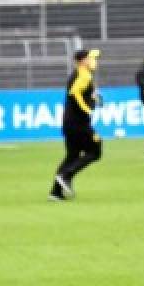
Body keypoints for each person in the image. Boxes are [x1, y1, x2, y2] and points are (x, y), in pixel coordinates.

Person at [50, 49, 102, 201]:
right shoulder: (84, 75)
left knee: (72, 156)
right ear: (82, 61)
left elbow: (80, 93)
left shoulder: (79, 74)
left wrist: (93, 99)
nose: (93, 61)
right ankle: (66, 176)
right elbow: (75, 92)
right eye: (90, 58)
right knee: (95, 151)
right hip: (79, 123)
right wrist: (87, 108)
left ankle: (55, 193)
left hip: (69, 123)